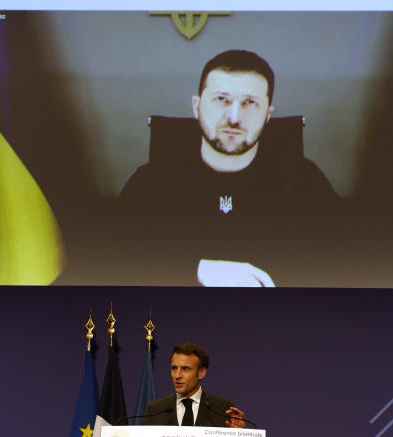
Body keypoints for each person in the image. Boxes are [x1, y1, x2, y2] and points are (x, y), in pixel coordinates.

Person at [119, 49, 341, 288]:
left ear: (268, 115)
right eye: (221, 99)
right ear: (197, 106)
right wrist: (196, 270)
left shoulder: (304, 182)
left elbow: (344, 261)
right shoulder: (151, 182)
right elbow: (114, 259)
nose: (234, 117)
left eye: (250, 103)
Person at [143, 343, 245, 428]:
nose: (177, 376)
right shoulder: (155, 409)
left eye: (185, 369)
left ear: (201, 373)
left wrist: (239, 435)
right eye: (174, 368)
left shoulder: (222, 408)